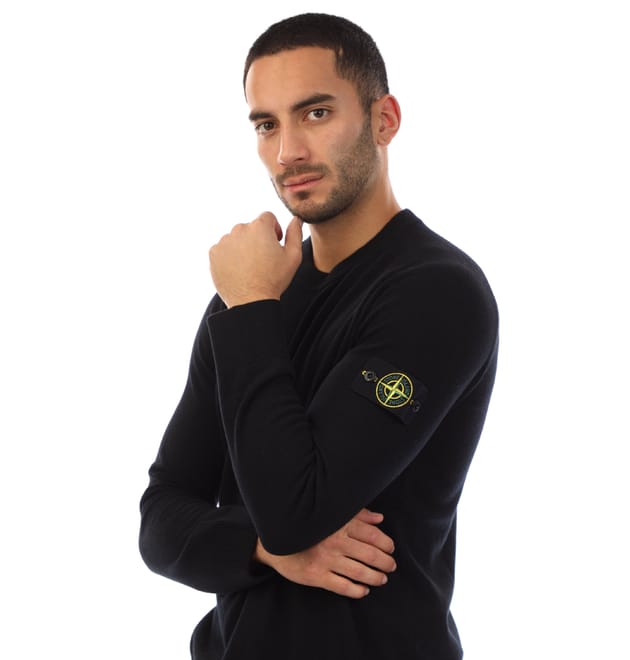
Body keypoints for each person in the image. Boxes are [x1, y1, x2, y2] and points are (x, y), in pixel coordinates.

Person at [139, 12, 499, 660]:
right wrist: (260, 549)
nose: (288, 152)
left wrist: (252, 303)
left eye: (315, 113)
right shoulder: (248, 295)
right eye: (266, 124)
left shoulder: (436, 292)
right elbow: (161, 517)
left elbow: (295, 511)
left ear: (384, 119)